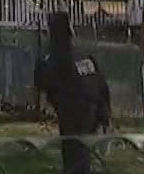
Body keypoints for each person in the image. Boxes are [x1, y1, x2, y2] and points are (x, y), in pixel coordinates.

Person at [33, 11, 112, 174]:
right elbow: (101, 83)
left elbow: (42, 82)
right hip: (93, 109)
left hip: (73, 110)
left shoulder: (53, 56)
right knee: (82, 152)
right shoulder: (83, 53)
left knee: (74, 153)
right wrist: (105, 113)